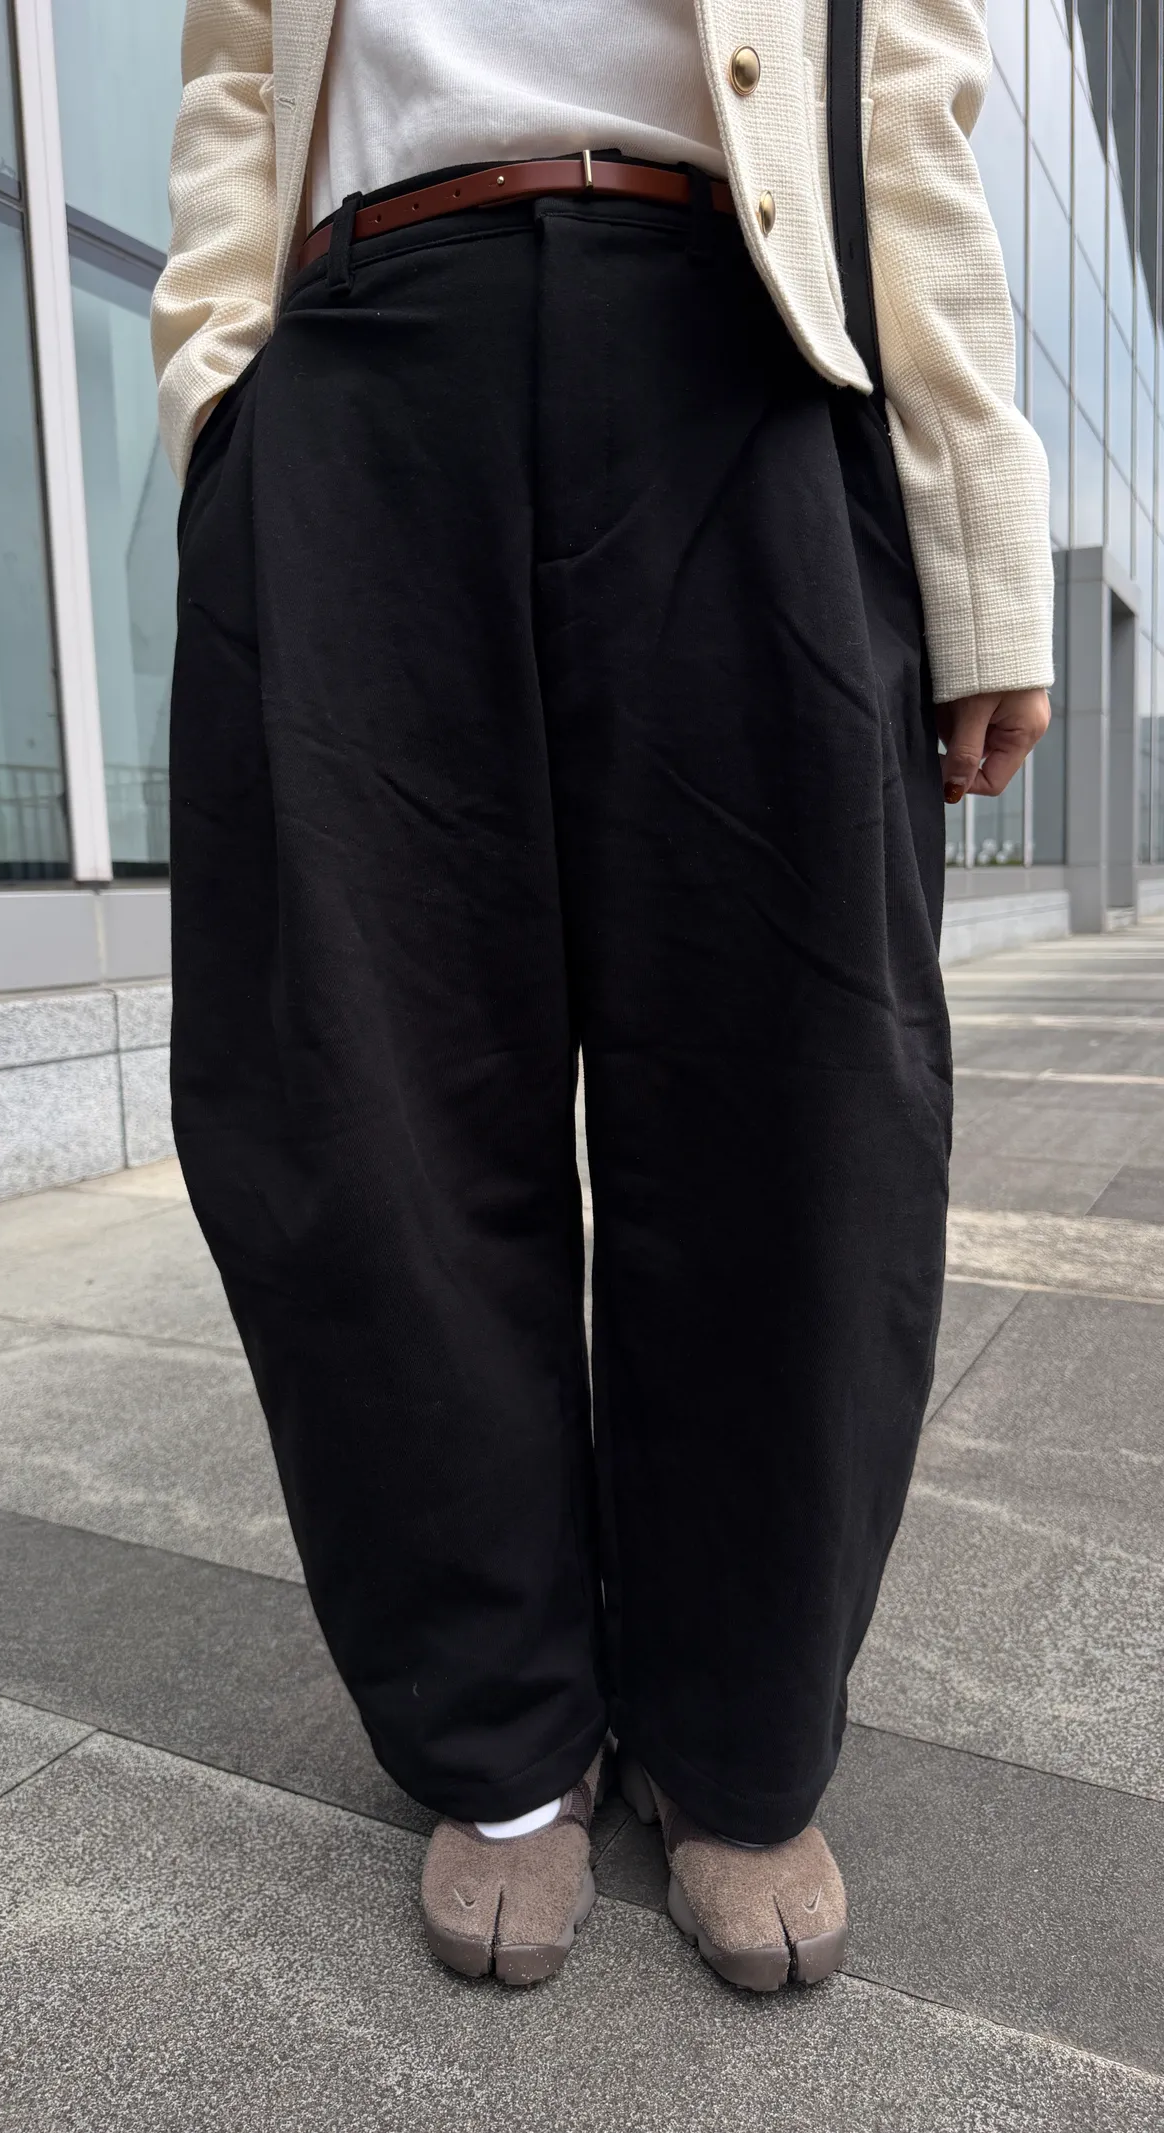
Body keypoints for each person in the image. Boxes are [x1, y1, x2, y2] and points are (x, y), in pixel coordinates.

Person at [153, 0, 1053, 1991]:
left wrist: (973, 512)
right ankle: (501, 1731)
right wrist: (222, 385)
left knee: (797, 1094)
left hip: (746, 342)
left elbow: (903, 95)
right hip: (363, 356)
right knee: (366, 1098)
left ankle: (737, 1729)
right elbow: (234, 70)